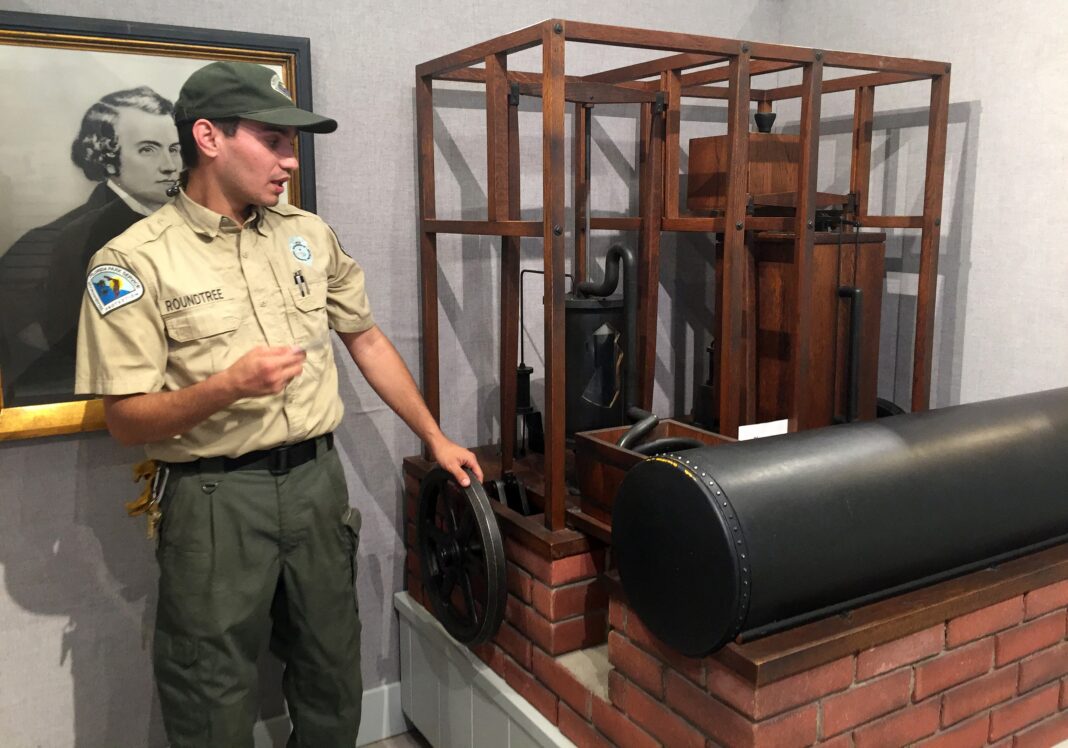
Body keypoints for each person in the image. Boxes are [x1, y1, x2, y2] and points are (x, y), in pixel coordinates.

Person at [74, 61, 481, 748]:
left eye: (292, 143)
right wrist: (226, 387)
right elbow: (125, 419)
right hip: (214, 502)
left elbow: (366, 338)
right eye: (273, 140)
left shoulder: (308, 235)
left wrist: (433, 437)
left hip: (317, 485)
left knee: (333, 678)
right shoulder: (135, 260)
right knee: (211, 696)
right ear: (208, 137)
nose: (291, 160)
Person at [0, 86, 179, 406]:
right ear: (106, 158)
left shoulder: (191, 228)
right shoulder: (50, 242)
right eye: (148, 149)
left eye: (175, 149)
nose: (169, 165)